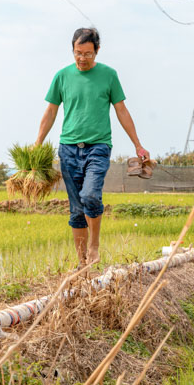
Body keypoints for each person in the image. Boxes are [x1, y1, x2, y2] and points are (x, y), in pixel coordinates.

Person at [35, 27, 150, 267]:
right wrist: (37, 143)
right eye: (78, 53)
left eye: (88, 53)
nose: (82, 58)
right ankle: (82, 263)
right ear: (72, 50)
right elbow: (51, 111)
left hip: (98, 147)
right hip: (68, 148)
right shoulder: (62, 76)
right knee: (76, 209)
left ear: (97, 51)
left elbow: (121, 111)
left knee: (90, 195)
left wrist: (138, 144)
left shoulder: (109, 75)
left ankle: (94, 246)